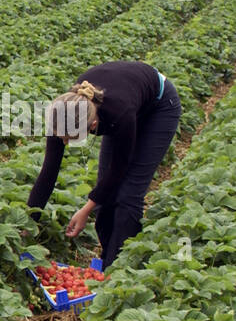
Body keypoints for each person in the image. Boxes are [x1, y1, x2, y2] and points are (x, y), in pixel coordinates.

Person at [27, 62, 181, 269]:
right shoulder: (63, 114)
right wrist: (29, 222)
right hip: (127, 98)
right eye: (62, 138)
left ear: (93, 126)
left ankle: (118, 270)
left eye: (70, 138)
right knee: (104, 200)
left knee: (128, 195)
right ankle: (107, 261)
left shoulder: (119, 114)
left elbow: (119, 169)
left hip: (160, 107)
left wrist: (85, 210)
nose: (64, 142)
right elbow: (48, 172)